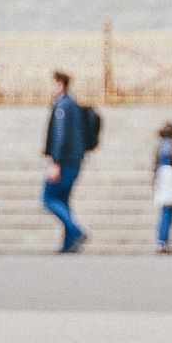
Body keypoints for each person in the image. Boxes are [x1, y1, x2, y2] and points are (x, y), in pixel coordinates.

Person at [42, 71, 99, 253]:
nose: (49, 88)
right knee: (63, 200)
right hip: (76, 159)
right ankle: (68, 243)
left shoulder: (62, 105)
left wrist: (56, 162)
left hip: (65, 161)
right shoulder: (73, 104)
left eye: (52, 83)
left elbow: (61, 136)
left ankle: (76, 231)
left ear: (60, 83)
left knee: (48, 198)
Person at [151, 121, 172, 254]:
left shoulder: (160, 145)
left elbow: (155, 163)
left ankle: (162, 240)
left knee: (164, 211)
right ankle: (163, 240)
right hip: (169, 179)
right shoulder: (170, 144)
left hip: (162, 177)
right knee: (167, 211)